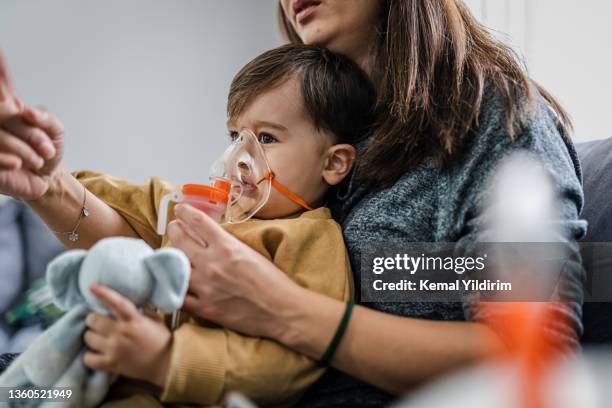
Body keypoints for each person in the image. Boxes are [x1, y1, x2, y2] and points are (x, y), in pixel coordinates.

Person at [0, 1, 586, 407]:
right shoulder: (306, 145)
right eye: (238, 136)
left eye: (266, 139)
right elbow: (151, 247)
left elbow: (535, 347)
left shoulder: (490, 120)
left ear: (338, 159)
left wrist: (277, 307)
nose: (242, 157)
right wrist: (48, 185)